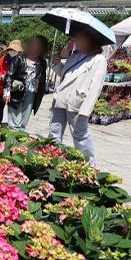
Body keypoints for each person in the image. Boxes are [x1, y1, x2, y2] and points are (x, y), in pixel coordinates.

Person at [49, 30, 107, 164]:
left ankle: (88, 164)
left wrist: (86, 110)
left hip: (77, 102)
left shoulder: (98, 59)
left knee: (80, 135)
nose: (76, 42)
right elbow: (64, 75)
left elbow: (95, 87)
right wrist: (56, 63)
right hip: (61, 98)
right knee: (54, 131)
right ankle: (53, 158)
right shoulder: (74, 55)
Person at [3, 36, 49, 130]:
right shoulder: (19, 59)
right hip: (17, 91)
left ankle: (20, 138)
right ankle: (13, 137)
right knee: (15, 120)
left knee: (24, 120)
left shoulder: (42, 63)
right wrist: (7, 92)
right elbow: (9, 75)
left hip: (32, 93)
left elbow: (42, 79)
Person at [0, 40, 23, 122]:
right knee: (0, 106)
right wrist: (1, 75)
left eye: (14, 50)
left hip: (14, 88)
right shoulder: (2, 59)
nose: (12, 52)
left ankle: (14, 123)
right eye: (11, 50)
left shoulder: (21, 61)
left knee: (13, 107)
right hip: (2, 87)